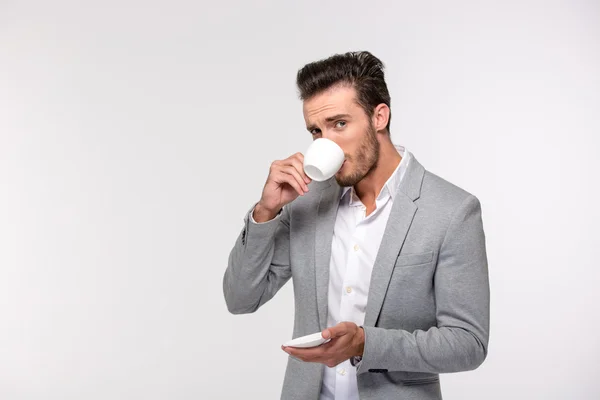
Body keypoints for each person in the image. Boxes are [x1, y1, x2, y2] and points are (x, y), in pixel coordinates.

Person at [223, 51, 490, 400]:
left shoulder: (452, 211)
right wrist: (265, 211)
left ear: (379, 116)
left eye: (339, 124)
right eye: (316, 130)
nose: (326, 142)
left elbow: (468, 342)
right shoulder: (305, 201)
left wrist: (366, 343)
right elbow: (241, 298)